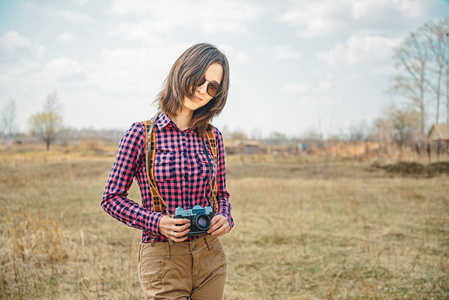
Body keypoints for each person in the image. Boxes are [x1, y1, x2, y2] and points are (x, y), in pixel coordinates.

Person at [101, 43, 234, 299]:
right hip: (162, 258)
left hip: (210, 256)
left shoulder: (213, 137)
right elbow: (111, 199)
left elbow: (221, 195)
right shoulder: (141, 134)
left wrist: (225, 217)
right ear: (183, 71)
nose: (202, 90)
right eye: (200, 78)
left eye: (212, 87)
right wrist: (158, 222)